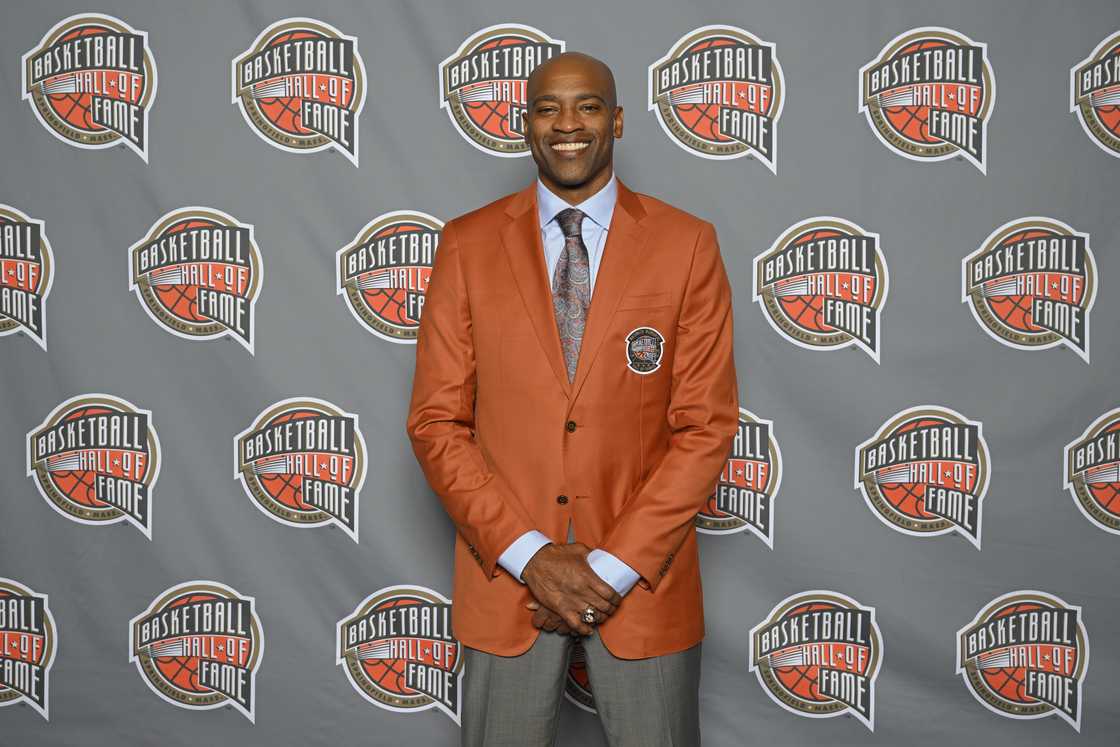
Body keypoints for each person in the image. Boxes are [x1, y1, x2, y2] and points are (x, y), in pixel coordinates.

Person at [406, 51, 739, 746]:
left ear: (615, 119)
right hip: (507, 584)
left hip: (644, 585)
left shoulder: (687, 245)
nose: (568, 124)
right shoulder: (466, 246)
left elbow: (705, 428)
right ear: (525, 124)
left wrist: (607, 570)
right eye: (547, 107)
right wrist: (532, 556)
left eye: (587, 105)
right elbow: (438, 422)